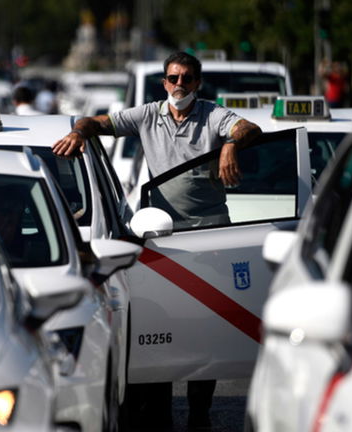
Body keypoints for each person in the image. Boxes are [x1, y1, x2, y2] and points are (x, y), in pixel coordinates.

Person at [52, 51, 262, 429]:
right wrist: (78, 132)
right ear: (163, 82)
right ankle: (159, 410)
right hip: (160, 235)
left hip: (209, 236)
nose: (178, 85)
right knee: (161, 326)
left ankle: (200, 413)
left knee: (206, 327)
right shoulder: (148, 114)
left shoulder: (212, 114)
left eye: (186, 79)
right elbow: (95, 122)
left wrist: (230, 144)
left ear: (197, 83)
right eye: (172, 78)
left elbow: (250, 129)